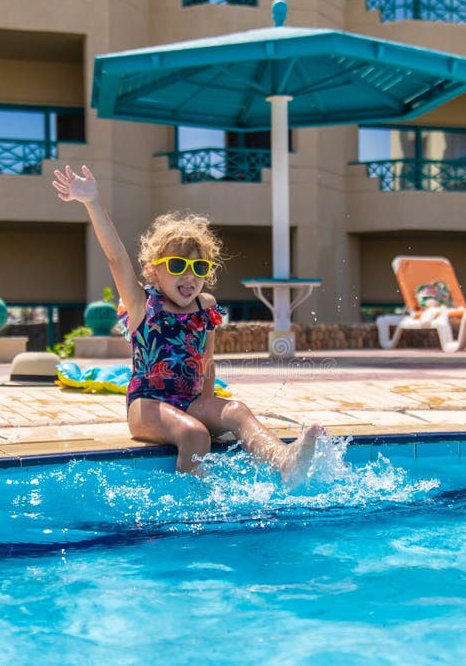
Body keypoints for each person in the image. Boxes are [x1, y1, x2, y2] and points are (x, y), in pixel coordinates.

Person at [53, 165, 323, 475]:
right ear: (154, 270)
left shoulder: (204, 307)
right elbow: (115, 257)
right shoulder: (142, 304)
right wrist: (92, 202)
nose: (189, 275)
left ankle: (284, 460)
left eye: (199, 267)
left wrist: (210, 412)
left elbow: (207, 362)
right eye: (178, 265)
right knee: (194, 434)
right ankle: (196, 497)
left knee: (236, 411)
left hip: (191, 401)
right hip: (147, 405)